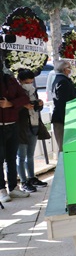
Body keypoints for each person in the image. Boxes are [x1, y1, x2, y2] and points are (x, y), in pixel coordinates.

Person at [0, 68, 31, 203]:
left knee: (11, 158)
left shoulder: (10, 79)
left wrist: (10, 104)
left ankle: (13, 188)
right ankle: (2, 190)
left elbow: (24, 97)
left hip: (12, 124)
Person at [16, 69, 47, 194]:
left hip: (34, 124)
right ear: (20, 81)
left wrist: (39, 104)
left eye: (31, 81)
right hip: (21, 127)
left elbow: (37, 108)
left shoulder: (34, 91)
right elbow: (13, 108)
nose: (29, 83)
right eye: (27, 82)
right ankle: (23, 182)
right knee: (21, 156)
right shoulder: (17, 92)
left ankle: (32, 178)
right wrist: (24, 106)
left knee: (30, 155)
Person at [51, 60, 76, 153]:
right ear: (65, 70)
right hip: (62, 119)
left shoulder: (59, 79)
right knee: (64, 148)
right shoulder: (63, 82)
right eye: (69, 68)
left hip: (61, 118)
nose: (71, 70)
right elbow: (63, 102)